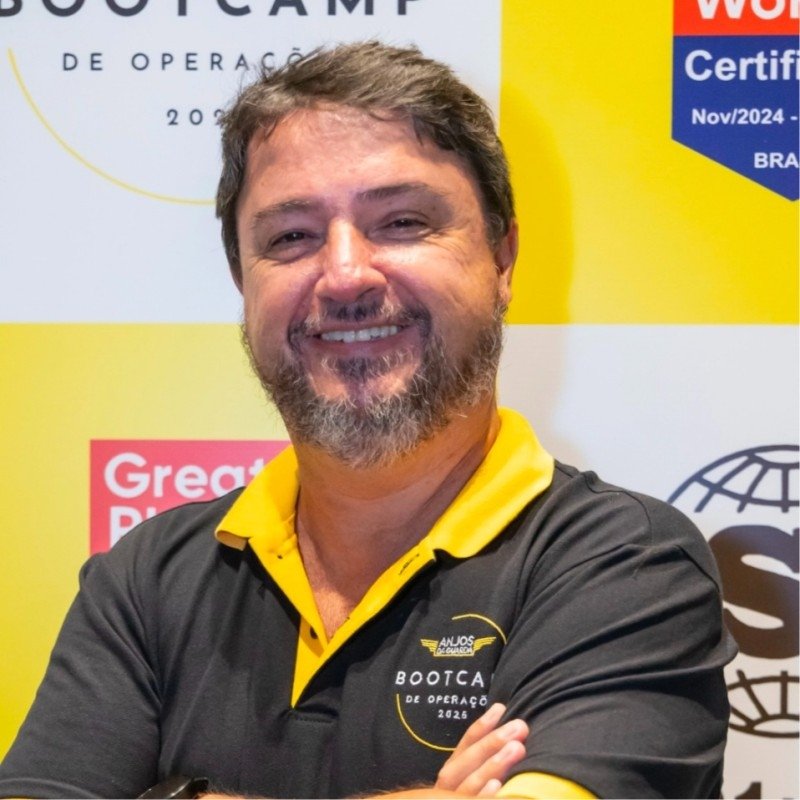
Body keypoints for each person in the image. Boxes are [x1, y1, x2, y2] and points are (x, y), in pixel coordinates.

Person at [0, 42, 736, 799]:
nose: (345, 275)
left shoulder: (628, 567)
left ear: (503, 259)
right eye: (291, 236)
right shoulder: (148, 576)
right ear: (242, 281)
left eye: (402, 222)